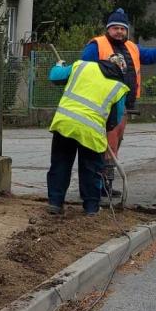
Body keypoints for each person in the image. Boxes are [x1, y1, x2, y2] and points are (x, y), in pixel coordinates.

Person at [80, 9, 156, 196]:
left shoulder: (132, 48)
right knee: (105, 146)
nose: (119, 32)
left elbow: (153, 55)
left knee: (115, 145)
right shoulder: (96, 46)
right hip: (102, 106)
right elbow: (82, 70)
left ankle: (105, 184)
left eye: (123, 29)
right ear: (108, 29)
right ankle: (97, 186)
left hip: (123, 106)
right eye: (115, 28)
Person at [45, 53, 129, 217]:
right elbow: (115, 118)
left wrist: (59, 65)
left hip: (65, 123)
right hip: (91, 131)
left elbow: (55, 76)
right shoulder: (119, 87)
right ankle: (91, 208)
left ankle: (55, 203)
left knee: (60, 164)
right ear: (121, 71)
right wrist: (106, 129)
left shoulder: (81, 66)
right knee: (91, 170)